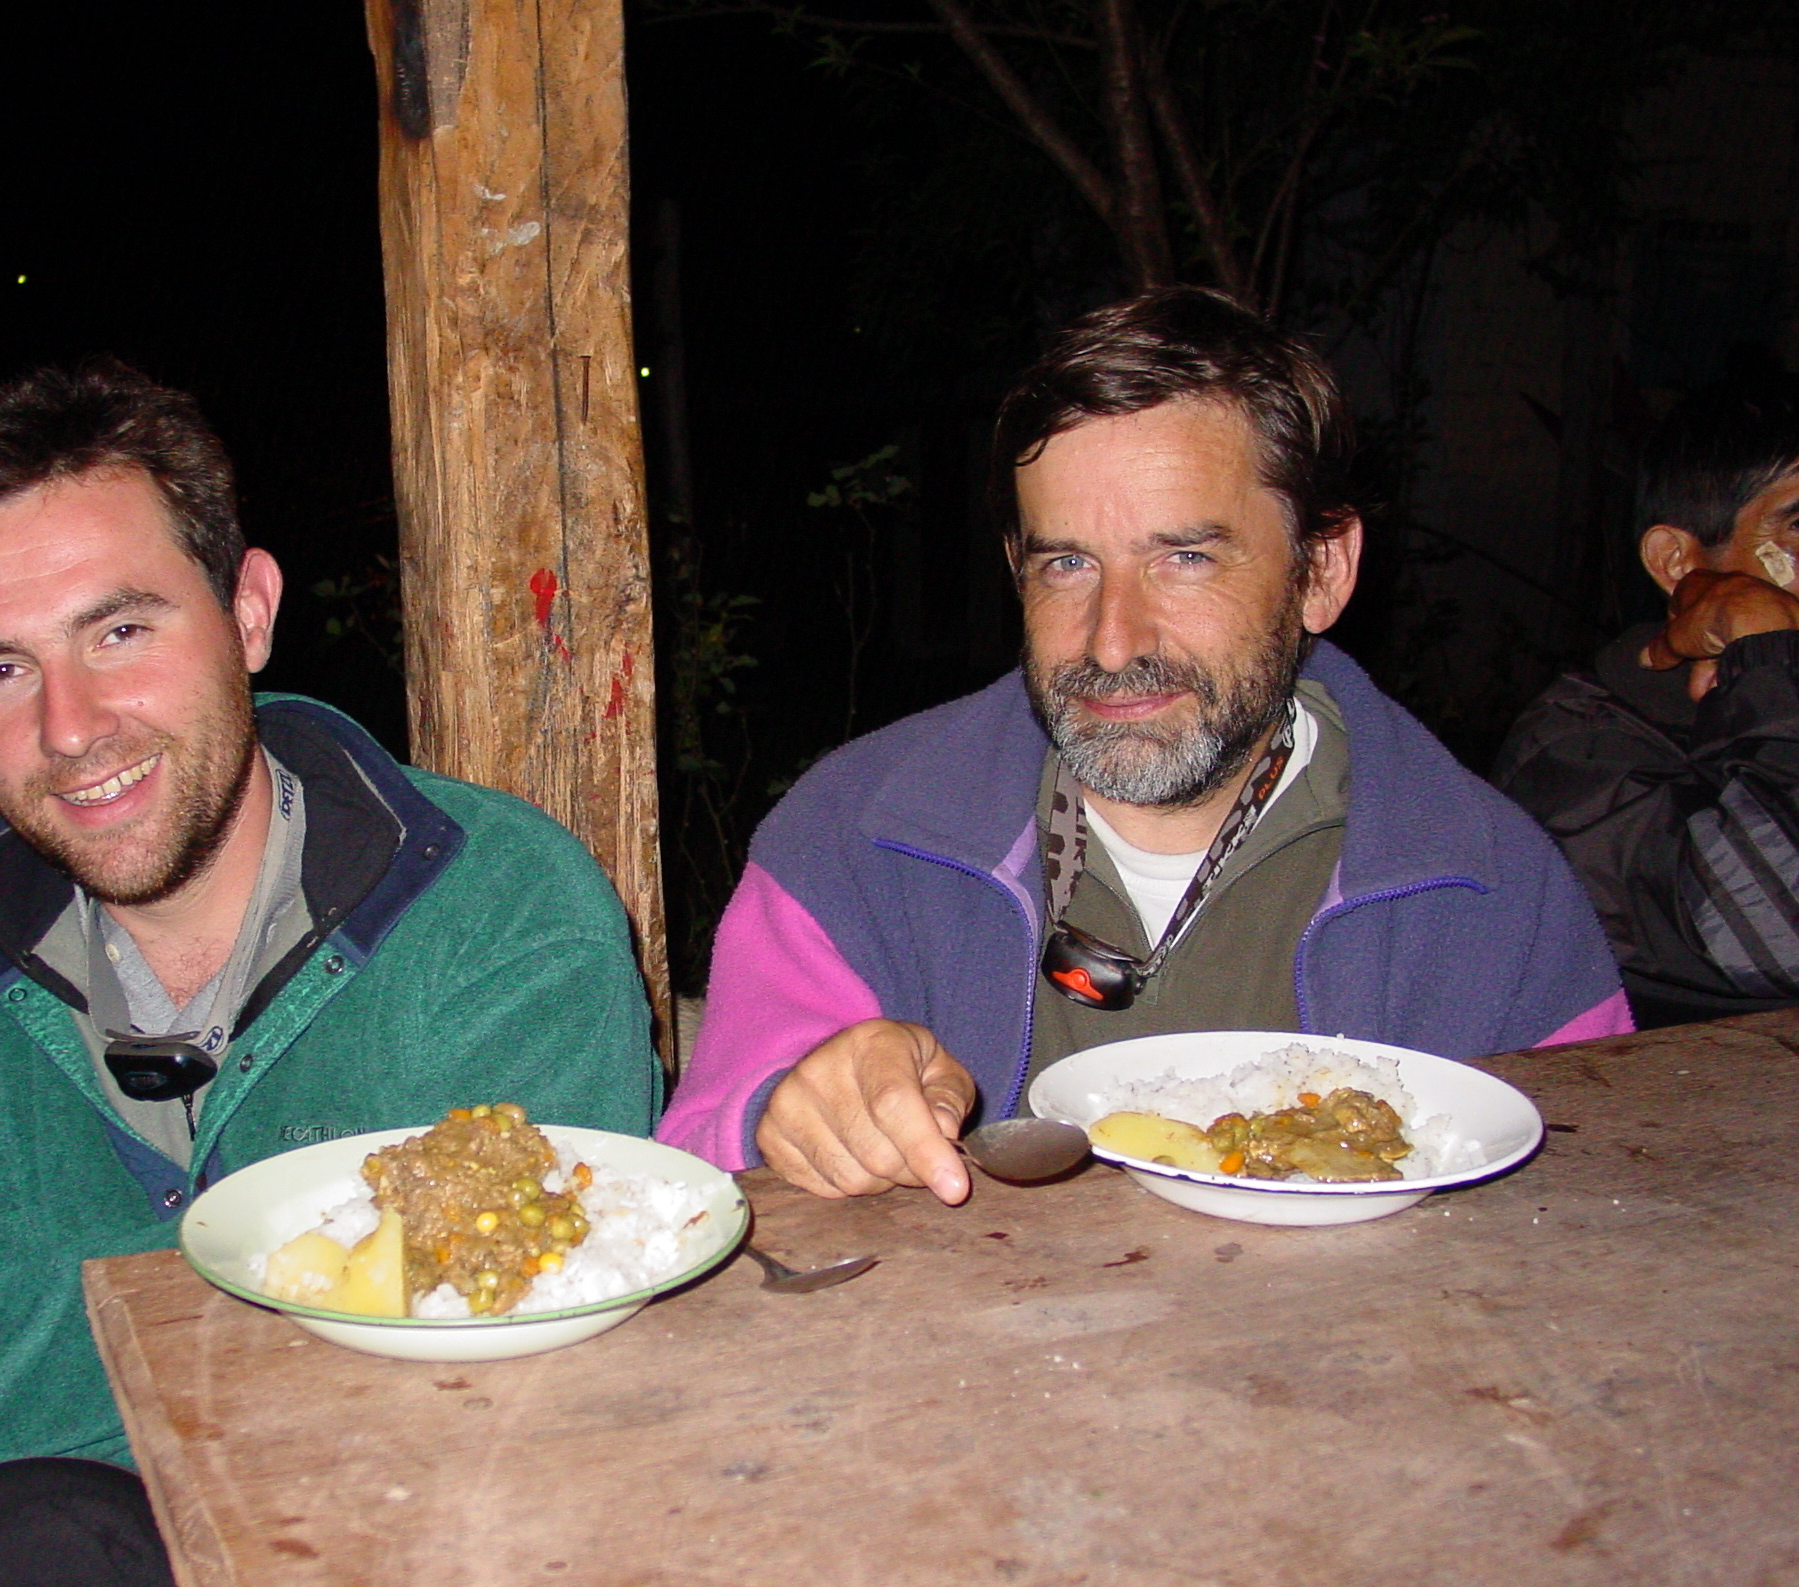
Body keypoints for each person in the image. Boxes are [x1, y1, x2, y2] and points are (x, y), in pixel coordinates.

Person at [0, 359, 659, 1587]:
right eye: (0, 669)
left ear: (248, 611)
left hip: (453, 1586)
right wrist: (322, 1272)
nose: (69, 729)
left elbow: (526, 1349)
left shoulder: (492, 906)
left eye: (119, 632)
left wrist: (68, 1312)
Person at [657, 288, 1628, 1202]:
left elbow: (1591, 1200)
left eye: (1185, 557)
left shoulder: (1488, 889)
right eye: (1068, 564)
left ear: (1321, 571)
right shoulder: (854, 839)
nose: (1112, 641)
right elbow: (693, 1168)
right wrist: (787, 1113)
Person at [1495, 385, 1799, 1028]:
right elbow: (1775, 936)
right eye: (1797, 527)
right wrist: (1769, 654)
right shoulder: (1577, 751)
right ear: (1678, 562)